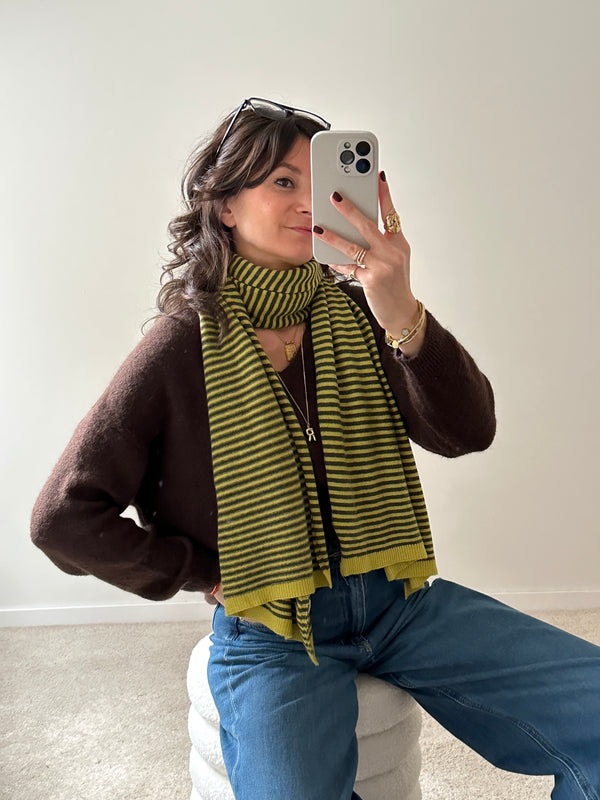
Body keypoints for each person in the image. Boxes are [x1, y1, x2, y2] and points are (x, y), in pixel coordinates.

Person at [31, 97, 600, 800]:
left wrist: (402, 310)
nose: (310, 203)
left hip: (399, 605)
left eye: (323, 182)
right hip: (273, 631)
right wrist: (200, 569)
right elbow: (62, 518)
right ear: (225, 205)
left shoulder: (364, 313)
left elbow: (468, 430)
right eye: (282, 181)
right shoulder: (182, 345)